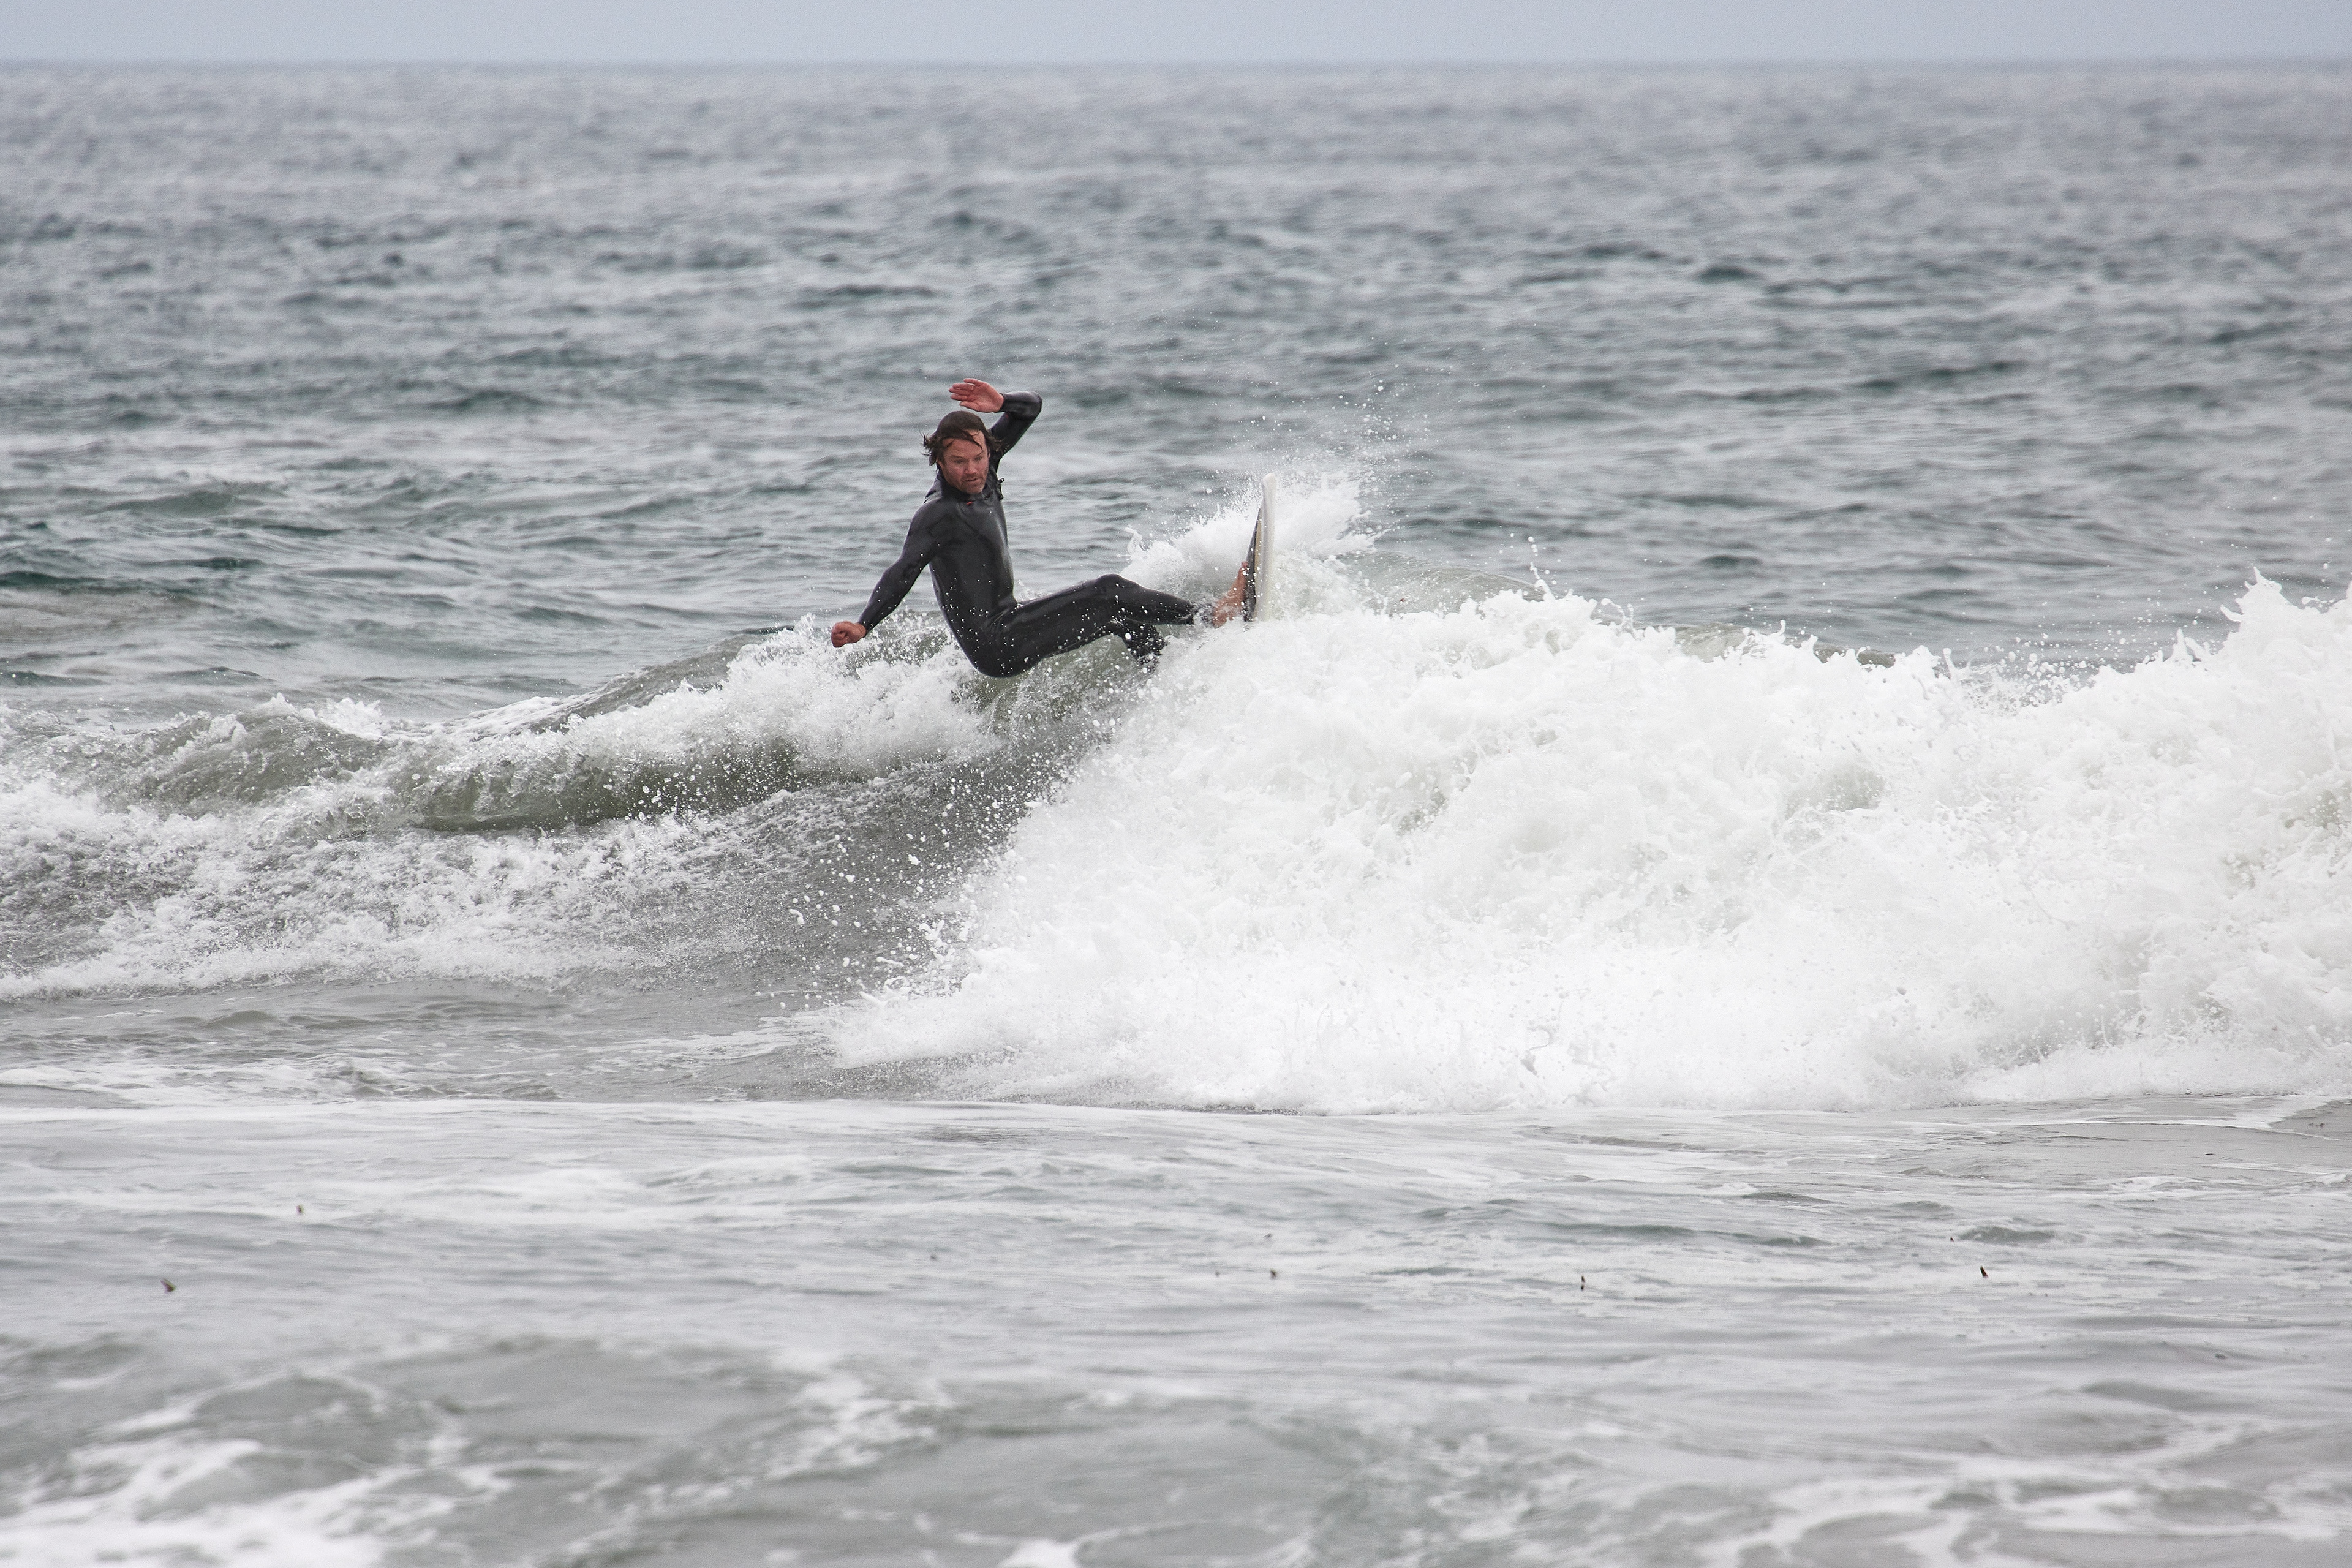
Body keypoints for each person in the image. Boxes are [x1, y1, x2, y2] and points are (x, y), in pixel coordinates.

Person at [831, 379, 1243, 676]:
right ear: (939, 460)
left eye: (978, 457)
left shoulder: (985, 468)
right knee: (1109, 590)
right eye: (959, 462)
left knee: (1119, 617)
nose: (973, 469)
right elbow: (903, 570)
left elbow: (1030, 407)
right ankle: (1213, 617)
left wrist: (1001, 401)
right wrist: (866, 623)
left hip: (1012, 621)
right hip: (997, 644)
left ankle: (1167, 674)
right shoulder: (939, 514)